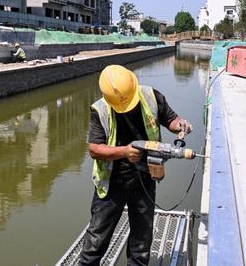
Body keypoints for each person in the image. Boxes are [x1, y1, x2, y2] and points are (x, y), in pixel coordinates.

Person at [79, 65, 193, 266]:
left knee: (142, 238)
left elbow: (171, 119)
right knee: (97, 237)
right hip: (112, 181)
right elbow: (94, 149)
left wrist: (180, 125)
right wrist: (124, 152)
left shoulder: (151, 96)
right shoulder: (101, 109)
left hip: (145, 178)